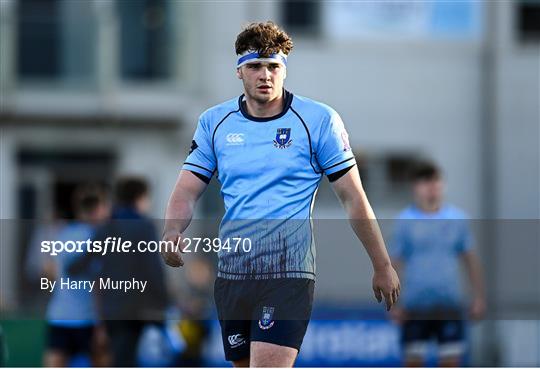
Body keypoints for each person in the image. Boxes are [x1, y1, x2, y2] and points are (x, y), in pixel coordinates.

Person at [161, 21, 400, 367]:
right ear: (239, 71)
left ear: (284, 71)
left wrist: (382, 264)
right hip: (233, 274)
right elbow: (186, 190)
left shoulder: (318, 121)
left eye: (274, 67)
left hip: (288, 273)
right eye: (255, 66)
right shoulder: (215, 123)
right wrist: (171, 230)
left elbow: (353, 197)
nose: (265, 75)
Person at [390, 161, 486, 367]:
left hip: (449, 305)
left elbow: (470, 260)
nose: (432, 186)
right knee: (413, 361)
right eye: (426, 181)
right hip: (415, 307)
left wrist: (478, 297)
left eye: (436, 180)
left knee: (450, 361)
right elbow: (394, 264)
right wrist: (393, 304)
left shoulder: (458, 219)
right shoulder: (405, 221)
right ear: (415, 187)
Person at [44, 185, 110, 367]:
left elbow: (50, 271)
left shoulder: (63, 234)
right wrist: (101, 325)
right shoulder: (96, 238)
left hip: (59, 315)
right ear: (98, 208)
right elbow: (99, 285)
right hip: (87, 318)